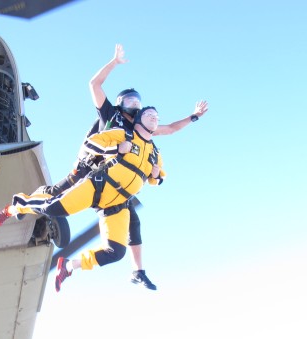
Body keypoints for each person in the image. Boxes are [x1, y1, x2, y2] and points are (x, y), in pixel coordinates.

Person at [39, 44, 208, 290]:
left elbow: (170, 128)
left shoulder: (140, 128)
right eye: (130, 100)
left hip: (114, 182)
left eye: (138, 101)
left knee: (133, 224)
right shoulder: (111, 114)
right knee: (59, 193)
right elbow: (94, 85)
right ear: (120, 103)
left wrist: (193, 117)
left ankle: (137, 271)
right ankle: (30, 208)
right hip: (90, 168)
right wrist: (114, 63)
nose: (135, 105)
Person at [0, 106, 165, 293]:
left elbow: (157, 180)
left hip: (117, 204)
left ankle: (69, 266)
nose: (154, 117)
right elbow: (91, 144)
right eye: (149, 114)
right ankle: (14, 208)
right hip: (99, 185)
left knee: (116, 252)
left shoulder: (155, 154)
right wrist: (117, 149)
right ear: (138, 119)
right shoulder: (124, 135)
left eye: (156, 115)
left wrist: (156, 176)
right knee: (53, 208)